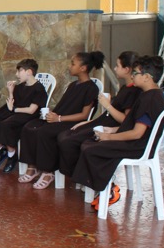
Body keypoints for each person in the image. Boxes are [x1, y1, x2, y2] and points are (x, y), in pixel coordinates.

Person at [72, 56, 164, 211]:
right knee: (88, 143)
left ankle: (109, 188)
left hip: (138, 146)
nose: (132, 76)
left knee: (91, 148)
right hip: (135, 141)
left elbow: (137, 133)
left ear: (146, 77)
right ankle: (104, 185)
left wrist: (109, 137)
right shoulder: (148, 95)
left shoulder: (151, 99)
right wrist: (112, 130)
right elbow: (135, 125)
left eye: (135, 73)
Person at [18, 51, 104, 189]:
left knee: (45, 132)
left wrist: (58, 118)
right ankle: (32, 167)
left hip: (72, 122)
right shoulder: (72, 85)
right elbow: (63, 106)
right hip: (59, 119)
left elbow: (84, 115)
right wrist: (52, 114)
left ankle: (48, 172)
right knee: (29, 127)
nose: (70, 66)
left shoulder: (91, 88)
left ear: (83, 68)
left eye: (73, 64)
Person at [57, 51, 141, 179]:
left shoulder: (134, 91)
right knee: (65, 134)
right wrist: (88, 122)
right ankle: (77, 175)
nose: (115, 69)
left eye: (117, 66)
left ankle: (79, 176)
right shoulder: (125, 88)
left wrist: (107, 105)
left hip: (109, 127)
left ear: (127, 69)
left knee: (68, 141)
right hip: (103, 121)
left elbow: (126, 120)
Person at [0, 59, 48, 174]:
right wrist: (10, 91)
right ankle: (0, 150)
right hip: (15, 110)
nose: (16, 74)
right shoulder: (20, 86)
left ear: (29, 72)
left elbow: (31, 110)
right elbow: (12, 102)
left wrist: (14, 109)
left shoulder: (39, 89)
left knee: (6, 124)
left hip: (27, 115)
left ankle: (11, 155)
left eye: (19, 71)